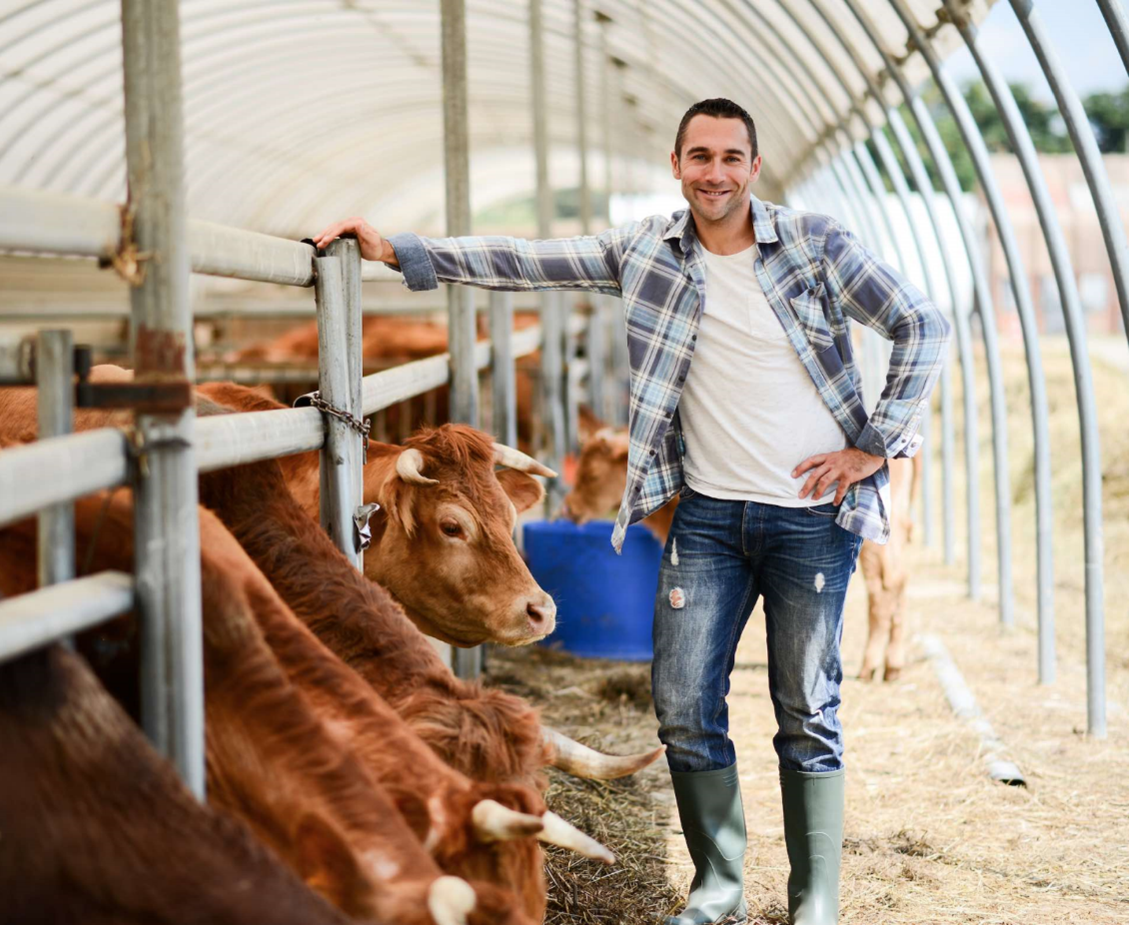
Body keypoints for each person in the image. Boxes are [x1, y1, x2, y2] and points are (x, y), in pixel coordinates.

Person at [313, 97, 949, 925]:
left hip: (811, 516)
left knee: (808, 709)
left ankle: (815, 898)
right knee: (684, 705)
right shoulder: (647, 249)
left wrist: (875, 444)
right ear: (678, 166)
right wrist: (401, 249)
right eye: (699, 156)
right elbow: (527, 259)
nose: (714, 172)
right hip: (710, 517)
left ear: (753, 167)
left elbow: (922, 324)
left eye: (730, 157)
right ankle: (717, 885)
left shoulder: (816, 244)